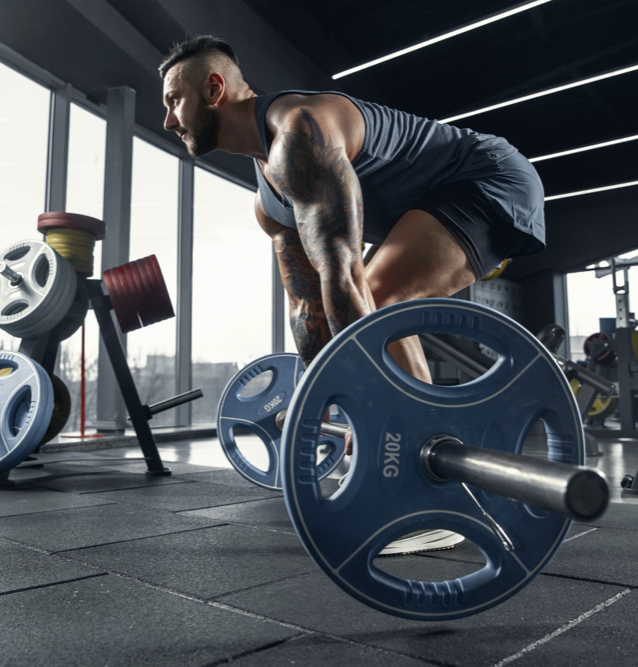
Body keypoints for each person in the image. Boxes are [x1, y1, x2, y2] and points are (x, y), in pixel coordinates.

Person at [160, 36, 546, 555]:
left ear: (213, 88)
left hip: (489, 179)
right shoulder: (268, 202)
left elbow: (341, 274)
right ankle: (421, 452)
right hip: (432, 203)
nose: (168, 120)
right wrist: (332, 403)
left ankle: (434, 494)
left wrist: (366, 411)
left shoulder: (300, 131)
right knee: (366, 306)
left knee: (376, 302)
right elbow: (307, 309)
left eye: (173, 100)